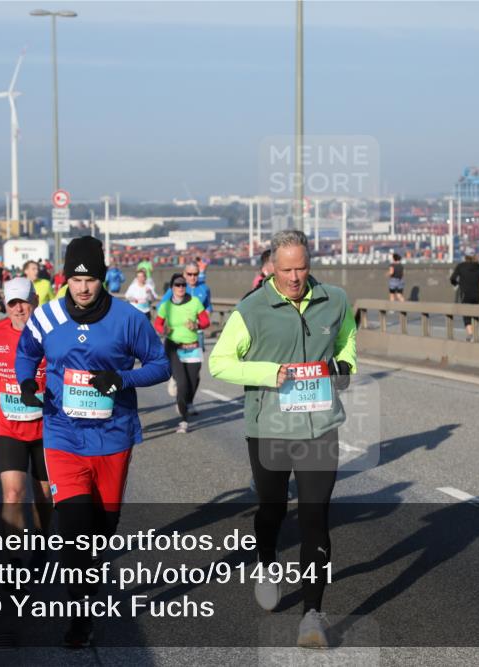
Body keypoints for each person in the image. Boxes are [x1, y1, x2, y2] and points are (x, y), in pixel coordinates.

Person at [15, 236, 170, 648]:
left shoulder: (128, 319)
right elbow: (26, 351)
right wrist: (29, 381)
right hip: (63, 437)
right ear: (66, 278)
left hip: (113, 437)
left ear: (102, 278)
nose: (83, 288)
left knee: (100, 534)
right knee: (74, 531)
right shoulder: (46, 317)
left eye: (91, 279)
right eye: (76, 279)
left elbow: (160, 365)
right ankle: (79, 616)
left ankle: (89, 583)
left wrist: (122, 379)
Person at [209, 229, 357, 649]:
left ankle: (312, 613)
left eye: (302, 267)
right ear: (272, 266)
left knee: (315, 516)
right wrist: (267, 373)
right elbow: (219, 362)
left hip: (321, 425)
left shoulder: (335, 299)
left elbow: (347, 339)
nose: (295, 277)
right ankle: (267, 563)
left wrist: (344, 365)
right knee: (272, 509)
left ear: (311, 264)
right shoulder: (252, 309)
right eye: (287, 268)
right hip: (269, 427)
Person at [0, 278, 52, 547]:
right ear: (6, 305)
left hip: (47, 428)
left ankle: (40, 544)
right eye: (13, 303)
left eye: (23, 302)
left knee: (43, 496)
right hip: (8, 427)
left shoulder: (52, 333)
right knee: (13, 495)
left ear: (35, 300)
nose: (18, 309)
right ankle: (13, 560)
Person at [154, 272, 210, 433]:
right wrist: (163, 330)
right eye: (177, 285)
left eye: (183, 285)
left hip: (192, 347)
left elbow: (205, 321)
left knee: (193, 381)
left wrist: (196, 325)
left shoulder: (195, 302)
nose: (180, 287)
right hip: (173, 347)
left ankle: (187, 400)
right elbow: (157, 324)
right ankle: (184, 421)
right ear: (172, 288)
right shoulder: (166, 306)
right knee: (183, 384)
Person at [160, 262, 214, 410]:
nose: (193, 277)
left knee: (195, 374)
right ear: (184, 274)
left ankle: (189, 402)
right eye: (189, 274)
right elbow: (162, 308)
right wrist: (167, 326)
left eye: (195, 274)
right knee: (181, 372)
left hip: (197, 335)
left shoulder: (204, 288)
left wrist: (202, 319)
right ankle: (178, 389)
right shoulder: (177, 288)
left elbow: (209, 306)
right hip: (176, 336)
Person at [450, 254, 479, 340]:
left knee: (466, 313)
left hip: (464, 293)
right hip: (475, 294)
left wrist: (456, 284)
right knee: (475, 312)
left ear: (465, 257)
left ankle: (470, 333)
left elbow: (452, 278)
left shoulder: (460, 266)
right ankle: (474, 333)